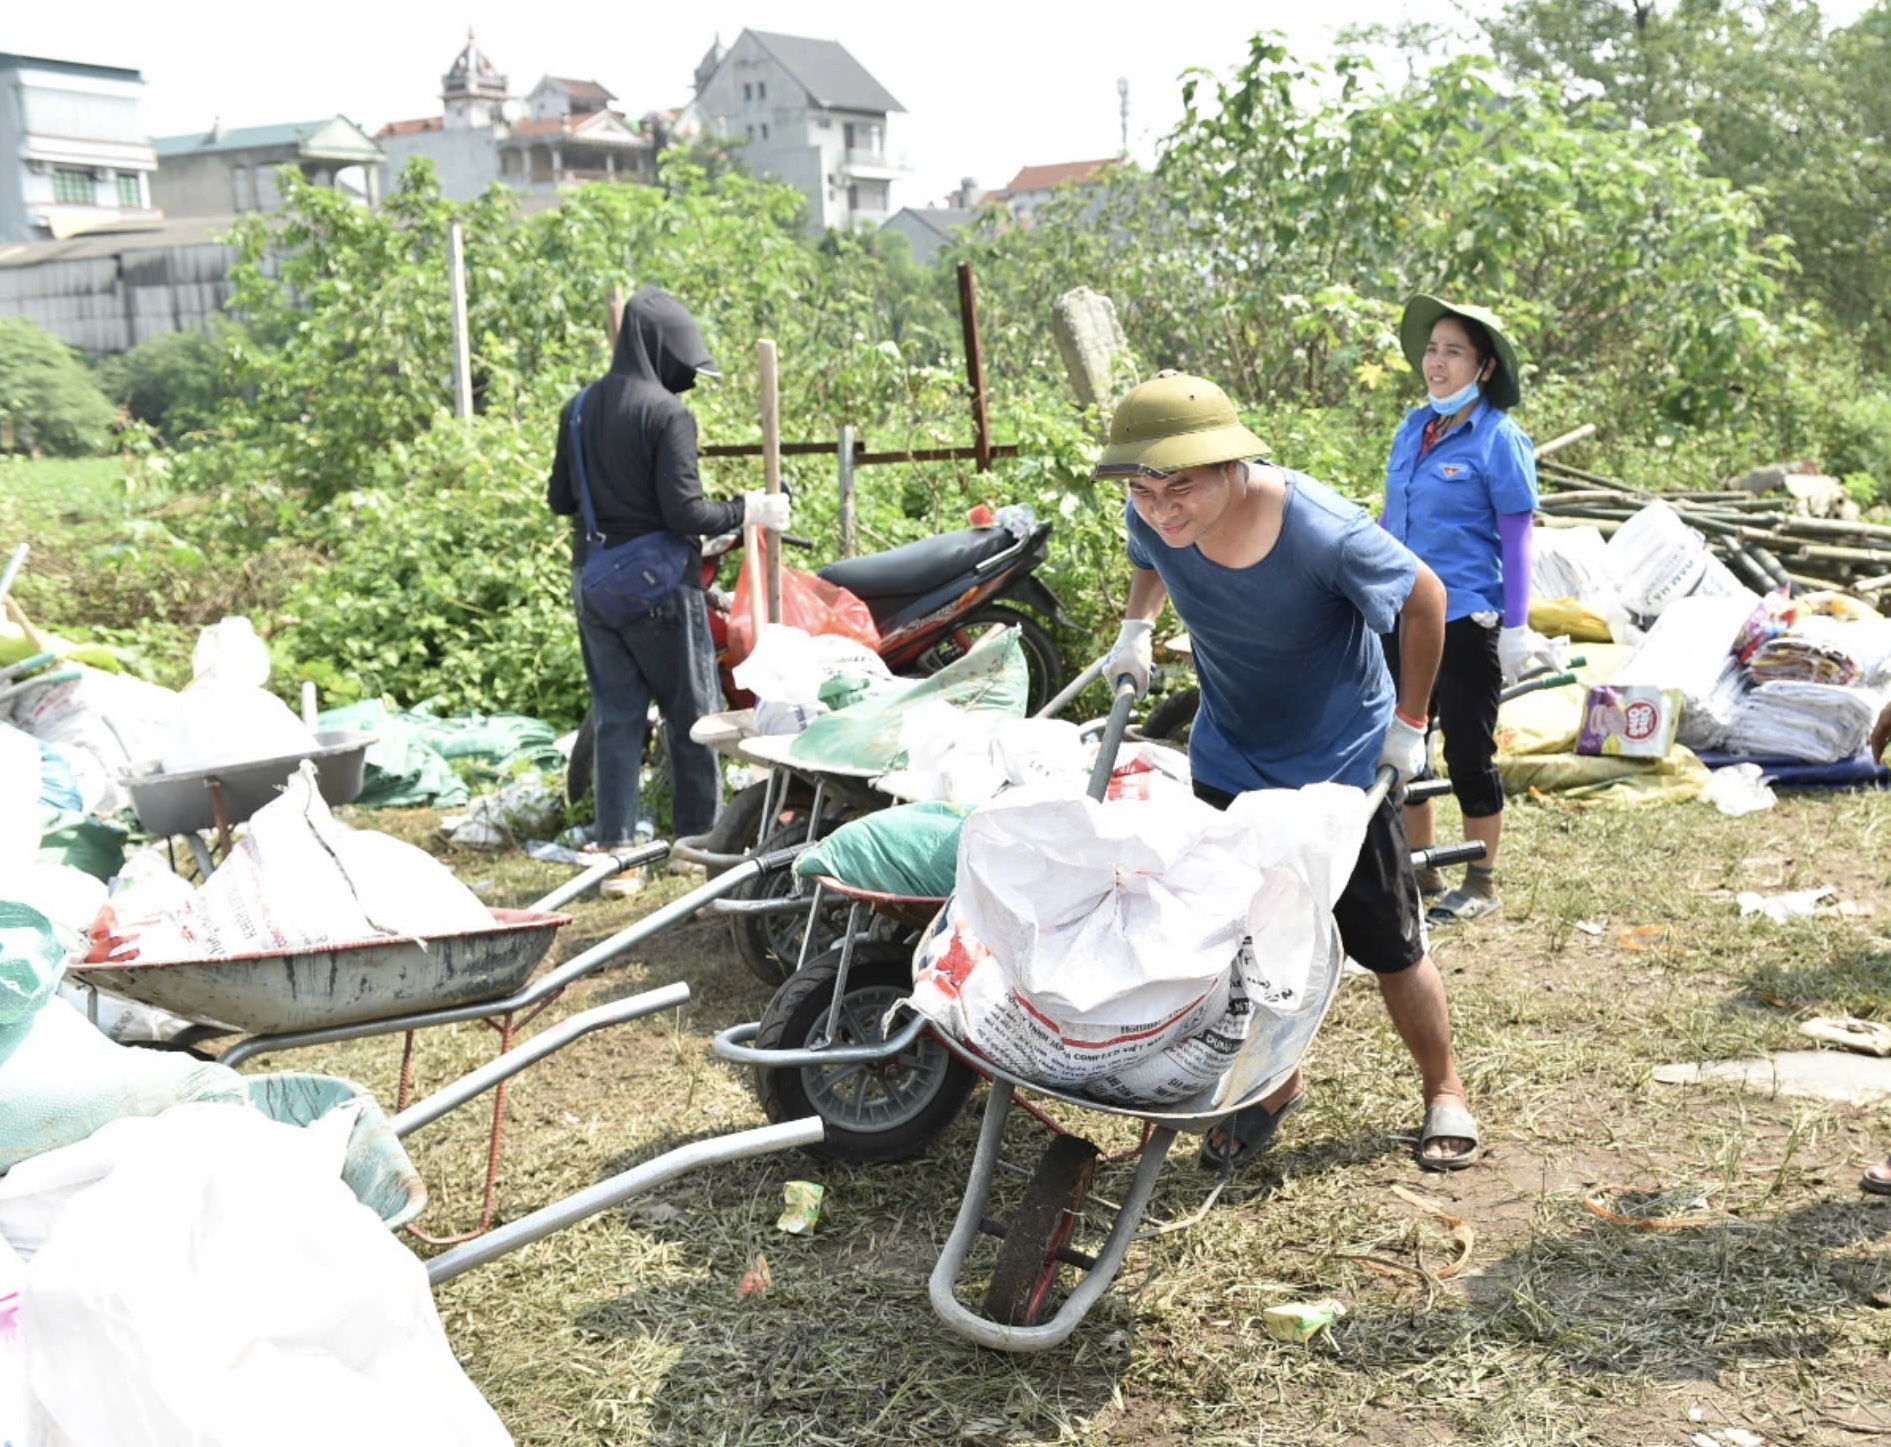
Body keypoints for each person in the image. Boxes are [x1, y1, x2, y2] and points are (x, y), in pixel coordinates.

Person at [1098, 370, 1479, 1172]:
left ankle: (1443, 1086)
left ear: (1233, 467)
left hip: (1338, 762)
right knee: (1237, 937)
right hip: (1230, 749)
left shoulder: (1319, 530)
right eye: (1142, 488)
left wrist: (1409, 725)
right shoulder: (1158, 519)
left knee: (1388, 940)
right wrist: (1137, 626)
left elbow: (1426, 597)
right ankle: (1273, 1084)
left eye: (1180, 488)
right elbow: (1147, 553)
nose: (1162, 508)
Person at [546, 285, 790, 897]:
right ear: (661, 350)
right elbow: (686, 514)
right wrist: (748, 509)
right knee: (692, 714)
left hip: (593, 581)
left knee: (619, 716)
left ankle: (616, 853)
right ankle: (697, 846)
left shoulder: (577, 408)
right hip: (659, 586)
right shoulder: (667, 414)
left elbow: (560, 500)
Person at [1380, 295, 1550, 924]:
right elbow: (1391, 517)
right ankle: (1419, 869)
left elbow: (1517, 533)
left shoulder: (1499, 437)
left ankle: (1481, 881)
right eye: (1432, 349)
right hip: (1402, 611)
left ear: (1483, 368)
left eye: (1454, 351)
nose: (1437, 362)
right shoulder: (1414, 426)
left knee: (1468, 752)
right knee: (1404, 737)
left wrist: (1517, 623)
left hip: (1466, 614)